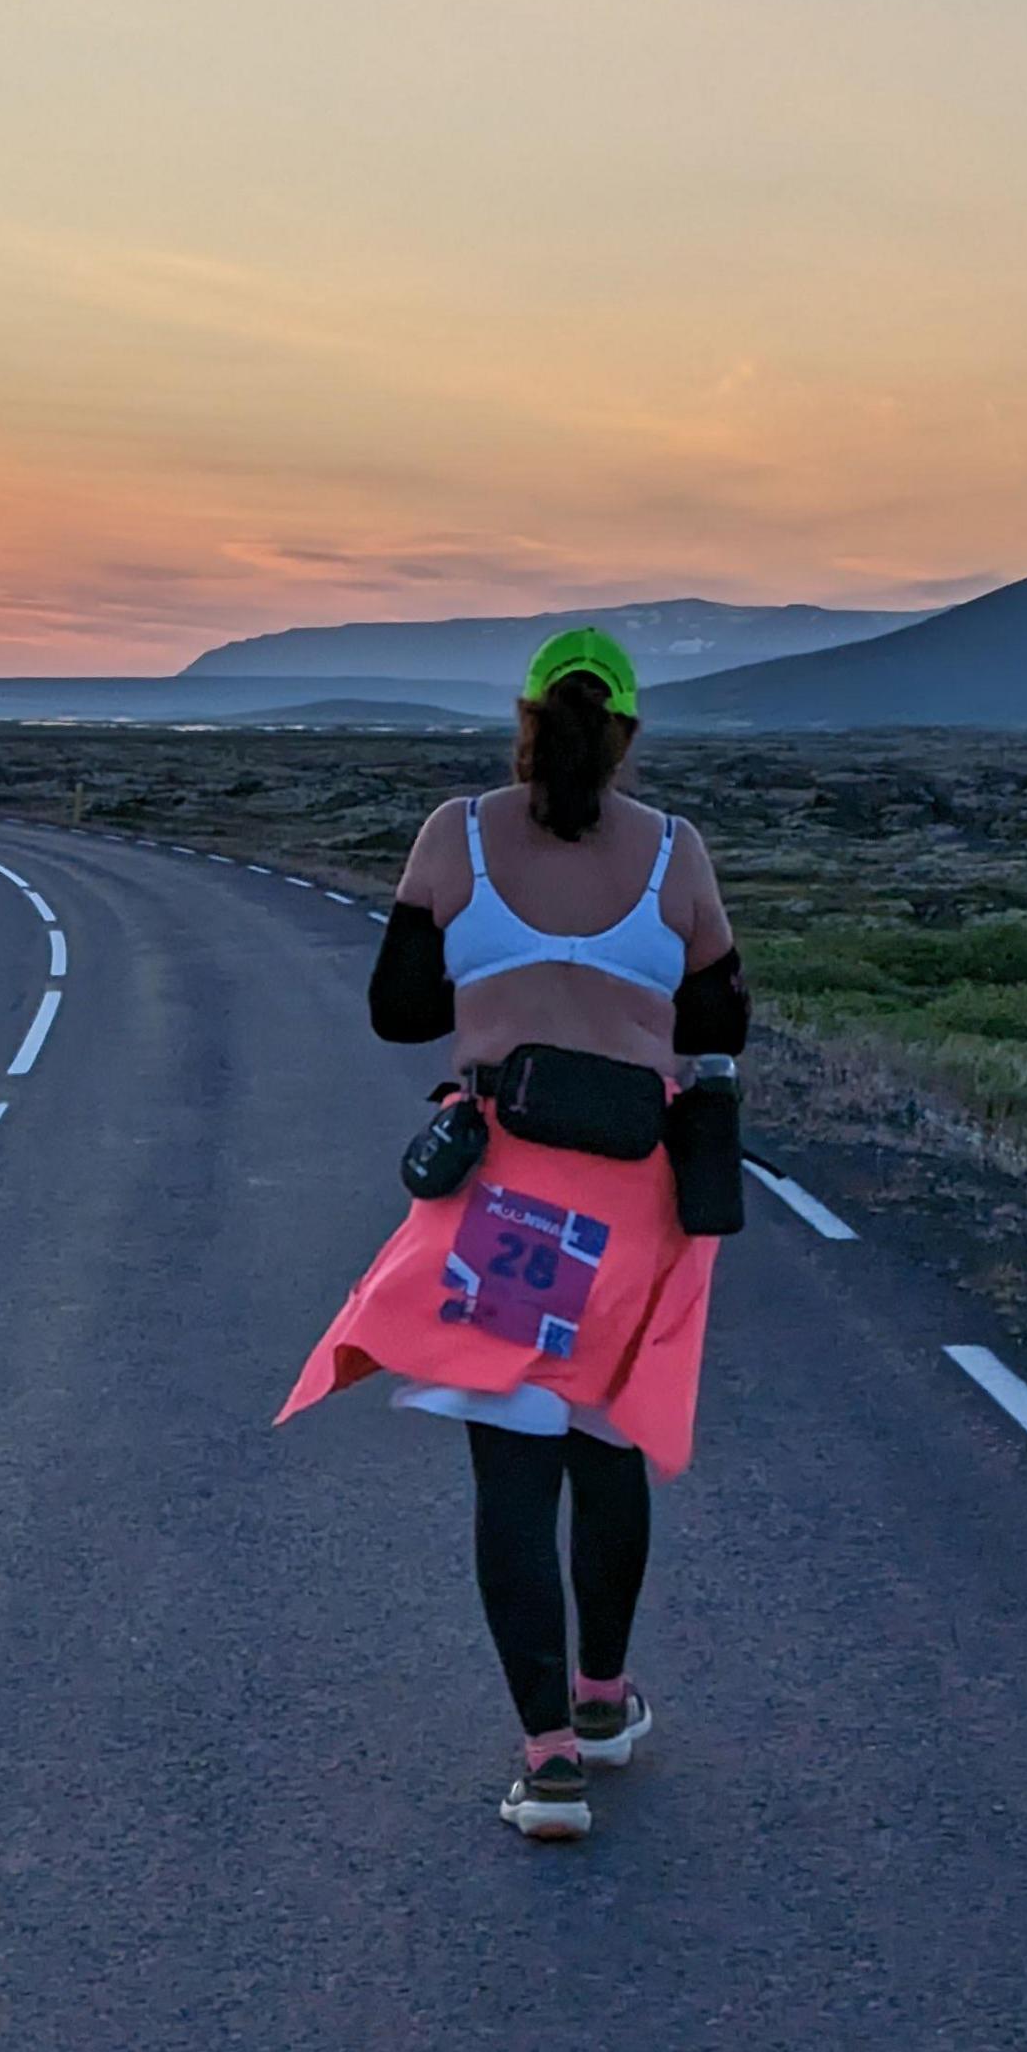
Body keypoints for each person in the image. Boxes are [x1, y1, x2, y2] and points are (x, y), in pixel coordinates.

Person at [278, 627, 750, 1841]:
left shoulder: (460, 836)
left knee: (513, 1468)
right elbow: (720, 1017)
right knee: (609, 1449)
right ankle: (603, 1700)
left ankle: (546, 1765)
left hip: (508, 1203)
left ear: (526, 720)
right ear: (630, 733)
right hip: (633, 1197)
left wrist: (504, 978)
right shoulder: (676, 856)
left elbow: (397, 1011)